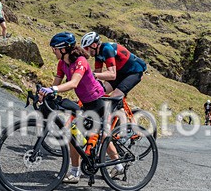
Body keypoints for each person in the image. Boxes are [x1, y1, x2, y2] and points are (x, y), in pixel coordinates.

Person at [39, 32, 123, 183]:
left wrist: (53, 90)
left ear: (64, 49)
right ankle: (76, 171)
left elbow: (73, 83)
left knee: (103, 136)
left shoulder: (80, 61)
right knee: (75, 135)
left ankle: (118, 166)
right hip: (86, 103)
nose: (53, 51)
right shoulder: (62, 64)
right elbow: (56, 82)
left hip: (98, 102)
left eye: (55, 49)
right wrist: (45, 94)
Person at [80, 32, 147, 98]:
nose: (86, 51)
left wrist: (93, 75)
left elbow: (112, 75)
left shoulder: (107, 49)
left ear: (94, 45)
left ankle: (118, 104)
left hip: (134, 72)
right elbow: (98, 72)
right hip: (119, 72)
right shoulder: (97, 53)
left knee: (114, 97)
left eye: (86, 48)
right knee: (100, 91)